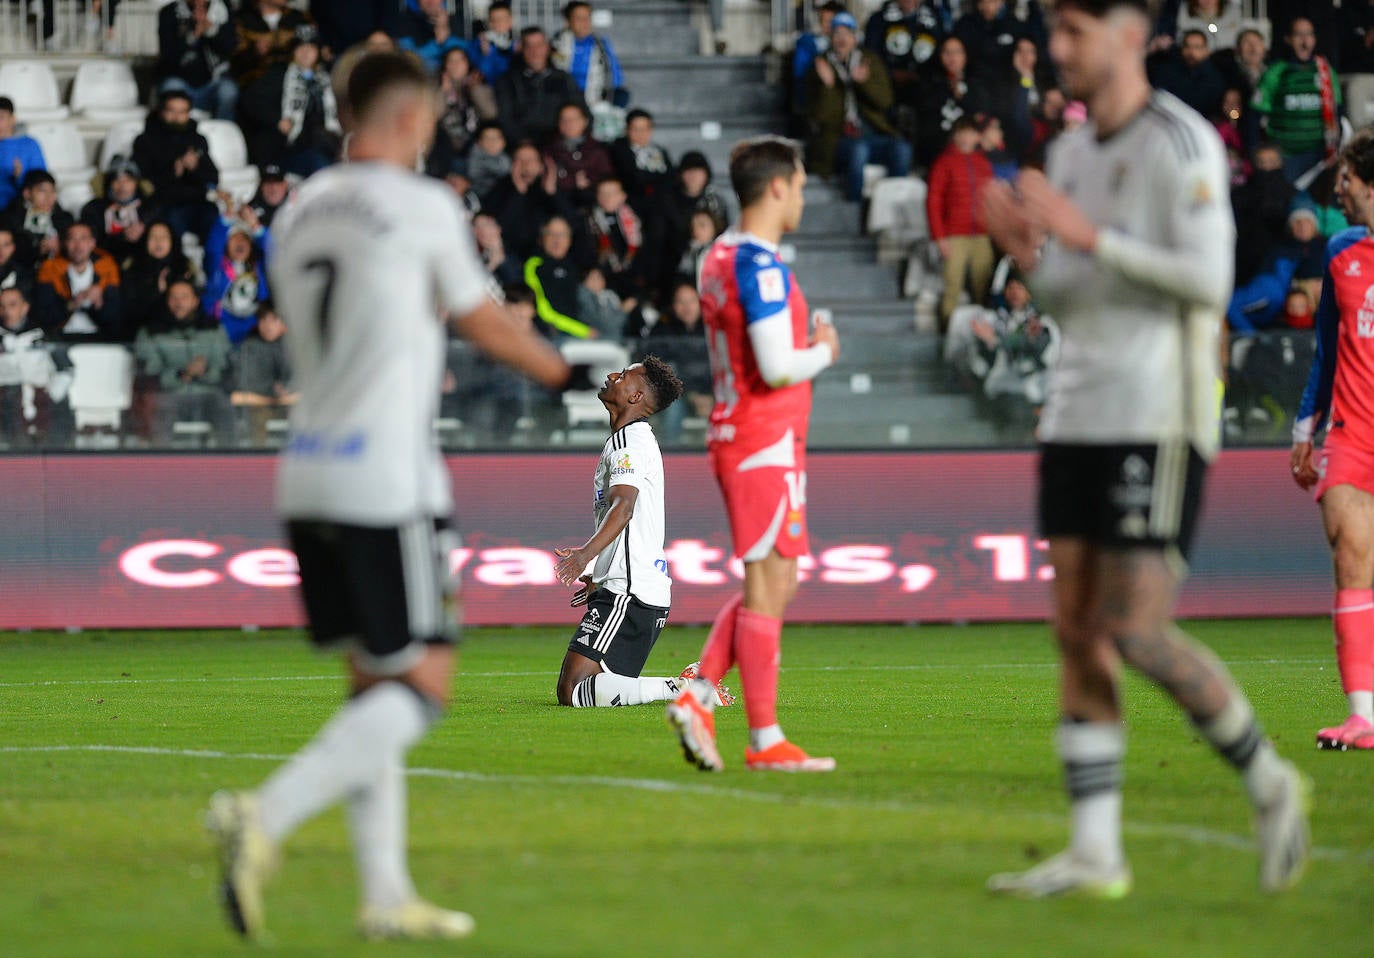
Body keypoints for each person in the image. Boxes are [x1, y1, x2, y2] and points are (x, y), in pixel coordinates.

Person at [203, 51, 577, 943]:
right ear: (411, 118)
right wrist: (567, 373)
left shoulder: (301, 209)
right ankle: (267, 813)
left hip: (310, 470)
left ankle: (384, 892)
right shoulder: (422, 205)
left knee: (373, 680)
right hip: (389, 477)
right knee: (424, 685)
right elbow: (481, 318)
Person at [979, 0, 1309, 898]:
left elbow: (1209, 281)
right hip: (1078, 408)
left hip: (1157, 414)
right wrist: (1031, 256)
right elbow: (1078, 296)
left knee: (1135, 629)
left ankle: (1269, 778)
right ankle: (1096, 853)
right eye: (1054, 33)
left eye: (1074, 33)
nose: (1058, 51)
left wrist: (1089, 237)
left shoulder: (1182, 141)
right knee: (1076, 633)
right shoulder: (1076, 150)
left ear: (1129, 36)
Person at [666, 135, 841, 773]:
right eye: (796, 185)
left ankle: (699, 694)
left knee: (779, 579)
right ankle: (764, 739)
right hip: (763, 438)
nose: (800, 197)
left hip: (750, 435)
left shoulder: (717, 256)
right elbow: (774, 363)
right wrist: (824, 348)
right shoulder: (760, 266)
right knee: (768, 583)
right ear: (775, 188)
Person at [551, 357, 723, 707]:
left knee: (574, 690)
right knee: (585, 688)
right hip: (633, 588)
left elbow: (624, 508)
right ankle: (684, 686)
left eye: (624, 376)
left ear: (636, 397)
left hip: (630, 591)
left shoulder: (628, 443)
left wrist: (585, 555)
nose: (612, 375)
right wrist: (599, 570)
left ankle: (685, 688)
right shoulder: (634, 439)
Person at [1291, 129, 1374, 751]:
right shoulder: (1342, 252)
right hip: (1351, 433)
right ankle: (1363, 716)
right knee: (1350, 556)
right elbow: (1326, 348)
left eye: (1344, 178)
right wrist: (1304, 428)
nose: (1336, 189)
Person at [806, 11, 912, 204]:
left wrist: (863, 83)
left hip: (873, 133)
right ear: (831, 37)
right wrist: (829, 87)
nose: (842, 38)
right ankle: (854, 210)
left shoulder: (869, 61)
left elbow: (885, 102)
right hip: (838, 138)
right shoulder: (820, 65)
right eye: (837, 33)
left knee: (901, 149)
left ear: (855, 37)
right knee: (858, 151)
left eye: (847, 33)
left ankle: (893, 206)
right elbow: (821, 117)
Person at [134, 277, 233, 443]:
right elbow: (150, 373)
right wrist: (181, 374)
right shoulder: (151, 332)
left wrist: (204, 372)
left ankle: (231, 464)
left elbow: (224, 369)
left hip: (206, 393)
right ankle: (159, 464)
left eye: (184, 297)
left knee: (223, 405)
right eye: (174, 297)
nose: (179, 302)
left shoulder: (213, 328)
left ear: (195, 301)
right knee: (160, 407)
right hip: (170, 394)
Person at [239, 24, 341, 175]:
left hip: (324, 144)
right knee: (321, 166)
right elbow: (249, 101)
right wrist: (277, 120)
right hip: (289, 148)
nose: (305, 53)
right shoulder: (280, 75)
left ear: (318, 52)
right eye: (301, 48)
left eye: (311, 48)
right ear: (293, 52)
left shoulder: (326, 78)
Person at [1251, 17, 1341, 184]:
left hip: (1321, 156)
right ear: (1288, 39)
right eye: (1299, 35)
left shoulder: (1326, 71)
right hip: (1285, 157)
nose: (1304, 40)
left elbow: (1338, 114)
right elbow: (1254, 116)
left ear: (1314, 39)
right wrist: (1254, 154)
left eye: (1309, 35)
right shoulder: (1276, 72)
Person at [927, 115, 995, 332]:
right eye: (962, 132)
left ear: (977, 137)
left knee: (983, 288)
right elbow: (933, 201)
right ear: (955, 135)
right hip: (954, 235)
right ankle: (947, 334)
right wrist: (939, 237)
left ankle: (981, 336)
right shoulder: (944, 163)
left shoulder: (983, 163)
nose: (966, 137)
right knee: (951, 288)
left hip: (982, 235)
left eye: (970, 133)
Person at [132, 91, 220, 246]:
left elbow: (213, 178)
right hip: (163, 204)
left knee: (213, 215)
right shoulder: (145, 141)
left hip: (196, 202)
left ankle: (213, 267)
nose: (176, 117)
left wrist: (195, 167)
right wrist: (173, 172)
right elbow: (142, 183)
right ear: (162, 111)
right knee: (172, 218)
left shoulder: (198, 140)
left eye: (182, 112)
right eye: (171, 110)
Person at [494, 26, 585, 146]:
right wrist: (524, 144)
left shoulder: (564, 78)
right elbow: (506, 118)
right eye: (529, 46)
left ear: (547, 47)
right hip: (522, 146)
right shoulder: (507, 80)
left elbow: (580, 110)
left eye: (539, 45)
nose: (535, 51)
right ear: (522, 49)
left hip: (560, 144)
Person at [34, 222, 123, 340]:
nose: (78, 246)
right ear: (65, 243)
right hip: (61, 338)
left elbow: (117, 319)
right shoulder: (50, 269)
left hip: (100, 338)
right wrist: (72, 303)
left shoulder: (107, 268)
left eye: (84, 239)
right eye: (72, 239)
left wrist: (99, 303)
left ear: (92, 243)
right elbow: (43, 317)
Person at [157, 0, 239, 120]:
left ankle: (223, 132)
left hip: (213, 83)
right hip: (182, 82)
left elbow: (230, 49)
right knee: (171, 87)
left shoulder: (224, 10)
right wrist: (193, 34)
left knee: (228, 91)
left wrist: (210, 30)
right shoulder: (170, 12)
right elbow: (168, 56)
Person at [231, 300, 296, 445]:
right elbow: (242, 390)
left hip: (289, 406)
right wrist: (273, 395)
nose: (267, 325)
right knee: (257, 415)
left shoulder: (296, 347)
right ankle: (256, 464)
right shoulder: (248, 348)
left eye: (274, 319)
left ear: (285, 324)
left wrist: (288, 391)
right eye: (263, 319)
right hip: (258, 406)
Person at [80, 156, 155, 267]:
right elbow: (91, 242)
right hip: (105, 264)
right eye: (117, 180)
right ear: (109, 183)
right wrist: (122, 236)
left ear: (137, 183)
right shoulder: (94, 209)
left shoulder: (149, 207)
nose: (123, 186)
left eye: (128, 180)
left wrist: (144, 226)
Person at [551, 1, 626, 109]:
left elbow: (614, 74)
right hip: (565, 102)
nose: (585, 23)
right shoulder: (557, 44)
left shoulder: (601, 45)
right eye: (579, 18)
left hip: (595, 100)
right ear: (568, 22)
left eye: (587, 18)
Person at [0, 169, 72, 269]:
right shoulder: (9, 219)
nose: (49, 197)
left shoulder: (64, 218)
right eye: (42, 191)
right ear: (27, 193)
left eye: (52, 191)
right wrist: (38, 250)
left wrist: (62, 246)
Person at [0, 96, 47, 214]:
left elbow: (40, 180)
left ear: (12, 119)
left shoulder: (30, 144)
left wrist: (19, 177)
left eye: (1, 117)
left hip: (20, 206)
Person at [397, 0, 467, 73]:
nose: (430, 2)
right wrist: (437, 43)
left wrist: (445, 35)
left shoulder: (456, 22)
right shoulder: (405, 23)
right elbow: (408, 59)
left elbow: (466, 54)